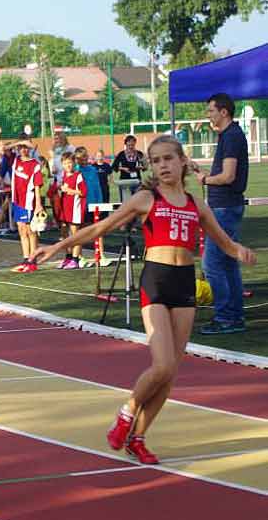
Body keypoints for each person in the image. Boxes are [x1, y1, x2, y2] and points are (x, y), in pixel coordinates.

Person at [30, 135, 256, 464]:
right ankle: (127, 413)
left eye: (168, 158)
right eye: (157, 160)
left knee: (170, 372)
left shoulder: (196, 203)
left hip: (184, 285)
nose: (163, 165)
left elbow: (224, 242)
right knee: (162, 364)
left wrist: (240, 251)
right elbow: (102, 228)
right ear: (151, 166)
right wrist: (56, 247)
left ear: (182, 162)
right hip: (156, 280)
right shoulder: (146, 198)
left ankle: (138, 436)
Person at [194, 93, 249, 334]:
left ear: (224, 112)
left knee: (213, 263)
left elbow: (228, 176)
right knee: (228, 264)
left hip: (224, 207)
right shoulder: (229, 136)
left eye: (211, 111)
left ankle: (226, 316)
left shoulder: (231, 137)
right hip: (226, 205)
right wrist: (200, 170)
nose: (209, 115)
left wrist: (205, 179)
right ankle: (234, 316)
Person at [10, 137, 44, 272]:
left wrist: (38, 204)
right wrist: (19, 142)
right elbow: (3, 149)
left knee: (31, 231)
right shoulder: (15, 160)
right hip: (17, 201)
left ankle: (33, 260)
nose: (23, 150)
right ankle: (25, 259)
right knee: (21, 230)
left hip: (29, 202)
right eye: (21, 147)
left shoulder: (35, 164)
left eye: (25, 147)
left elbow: (37, 185)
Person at [58, 152, 87, 269]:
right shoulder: (62, 176)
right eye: (65, 163)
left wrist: (70, 190)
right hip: (64, 210)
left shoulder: (78, 176)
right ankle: (68, 256)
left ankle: (75, 259)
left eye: (70, 162)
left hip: (75, 209)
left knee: (75, 235)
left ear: (74, 163)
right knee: (64, 234)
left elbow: (83, 192)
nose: (68, 165)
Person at [112, 135, 147, 201]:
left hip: (136, 181)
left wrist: (141, 167)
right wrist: (123, 168)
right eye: (129, 145)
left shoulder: (139, 154)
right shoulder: (121, 154)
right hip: (124, 181)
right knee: (125, 202)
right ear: (126, 144)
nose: (131, 147)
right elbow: (114, 166)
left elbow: (145, 168)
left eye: (132, 145)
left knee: (137, 201)